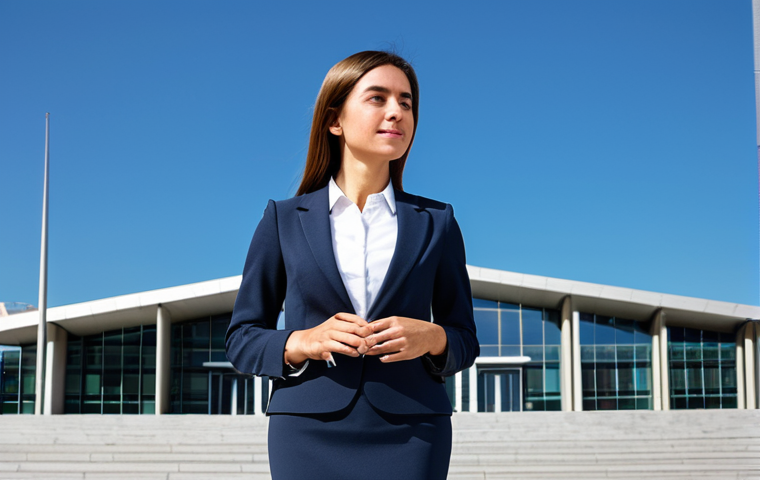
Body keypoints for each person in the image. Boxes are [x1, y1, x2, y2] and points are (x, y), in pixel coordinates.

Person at [225, 50, 478, 480]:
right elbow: (241, 339)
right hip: (306, 430)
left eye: (406, 102)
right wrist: (302, 342)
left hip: (413, 430)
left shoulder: (438, 223)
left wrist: (433, 336)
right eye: (378, 98)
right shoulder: (283, 220)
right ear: (334, 120)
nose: (396, 112)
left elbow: (465, 339)